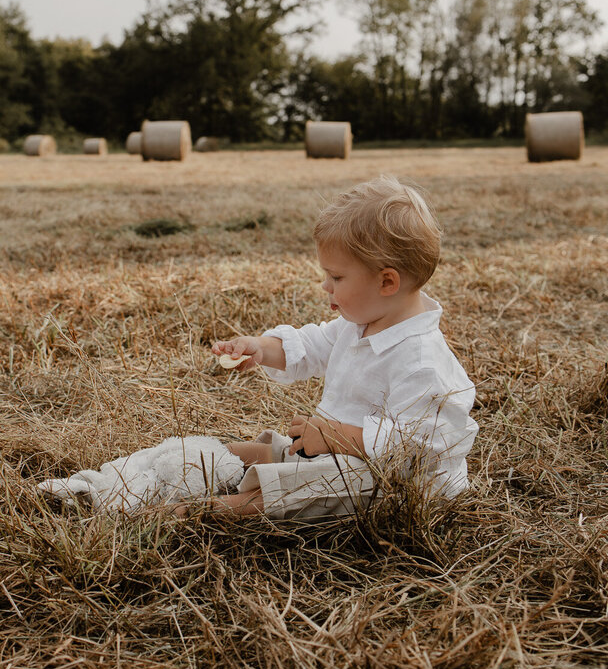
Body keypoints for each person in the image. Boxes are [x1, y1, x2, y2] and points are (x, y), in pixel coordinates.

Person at [202, 175, 478, 519]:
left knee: (315, 482)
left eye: (337, 277)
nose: (325, 285)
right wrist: (260, 347)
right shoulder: (359, 323)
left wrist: (337, 436)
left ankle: (215, 511)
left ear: (386, 281)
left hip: (390, 484)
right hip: (332, 450)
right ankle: (189, 465)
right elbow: (313, 344)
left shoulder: (422, 361)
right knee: (238, 452)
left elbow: (417, 449)